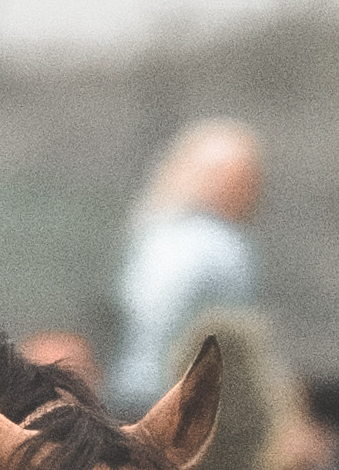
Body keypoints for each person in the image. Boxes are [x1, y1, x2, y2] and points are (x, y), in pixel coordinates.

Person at [110, 120, 264, 408]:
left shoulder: (150, 235)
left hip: (126, 391)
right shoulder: (224, 246)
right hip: (185, 404)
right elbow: (236, 342)